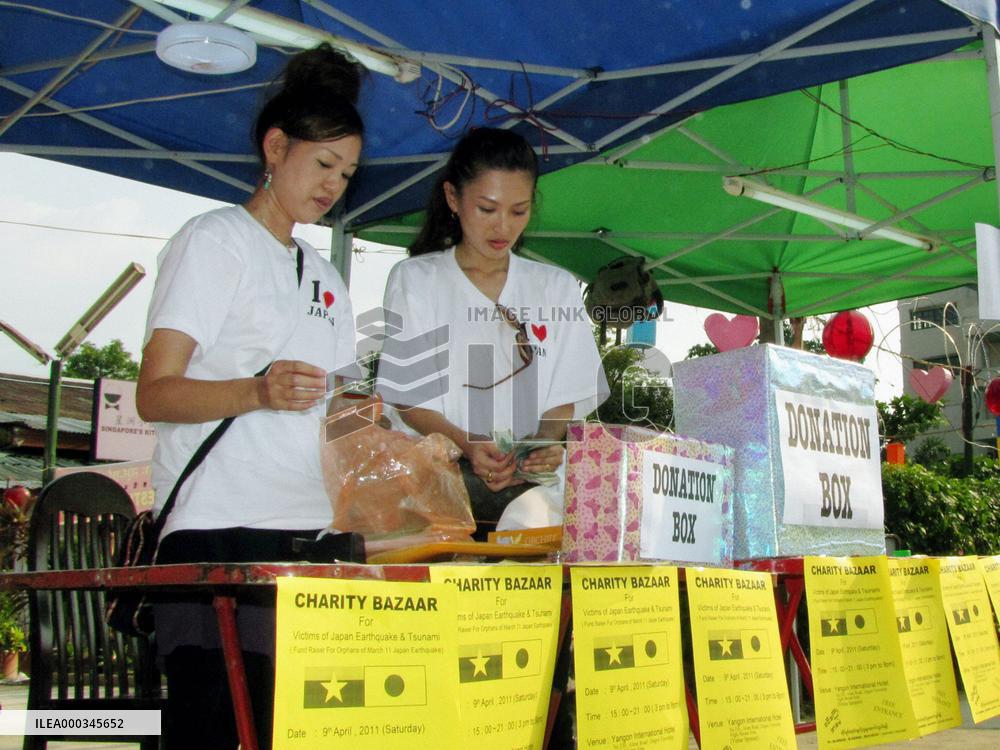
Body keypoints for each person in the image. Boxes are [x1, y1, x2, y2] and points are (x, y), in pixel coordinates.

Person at [135, 44, 366, 750]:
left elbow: (339, 408)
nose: (334, 186)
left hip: (316, 537)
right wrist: (256, 391)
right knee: (213, 727)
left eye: (348, 174)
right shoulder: (215, 240)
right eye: (323, 165)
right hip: (221, 530)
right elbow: (154, 393)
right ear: (275, 147)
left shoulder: (326, 273)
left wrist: (385, 434)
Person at [376, 128, 609, 534]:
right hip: (435, 496)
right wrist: (465, 442)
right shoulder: (417, 280)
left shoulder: (555, 287)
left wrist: (538, 445)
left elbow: (566, 395)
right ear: (454, 199)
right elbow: (406, 396)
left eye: (518, 211)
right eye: (487, 209)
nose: (503, 226)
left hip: (532, 504)